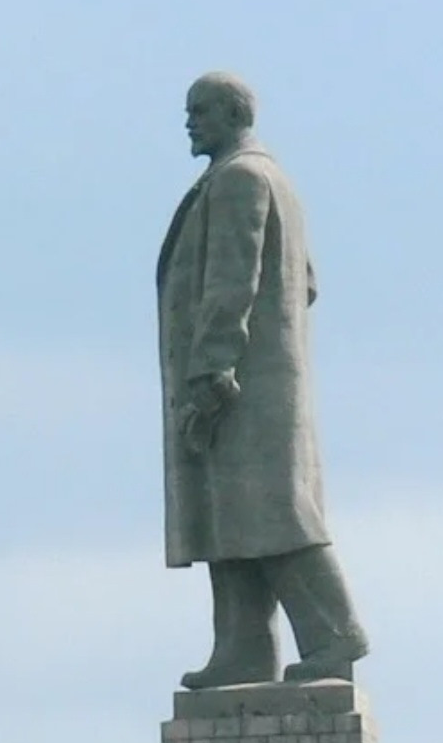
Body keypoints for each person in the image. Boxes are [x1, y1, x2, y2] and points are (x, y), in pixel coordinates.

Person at [157, 72, 369, 690]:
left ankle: (336, 633)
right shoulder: (270, 181)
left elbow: (231, 281)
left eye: (200, 111)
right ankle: (242, 650)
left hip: (240, 383)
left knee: (272, 513)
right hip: (263, 377)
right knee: (231, 518)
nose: (190, 122)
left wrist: (214, 365)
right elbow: (304, 282)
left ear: (232, 114)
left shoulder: (242, 179)